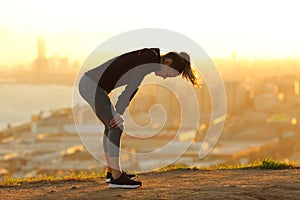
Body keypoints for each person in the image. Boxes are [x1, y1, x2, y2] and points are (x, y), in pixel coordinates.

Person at [78, 48, 199, 188]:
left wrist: (118, 112)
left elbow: (133, 87)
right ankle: (116, 178)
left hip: (91, 85)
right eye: (168, 74)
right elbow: (133, 85)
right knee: (116, 126)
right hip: (91, 85)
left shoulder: (149, 58)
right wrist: (118, 112)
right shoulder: (148, 57)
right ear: (167, 62)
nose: (165, 77)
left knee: (110, 126)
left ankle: (112, 173)